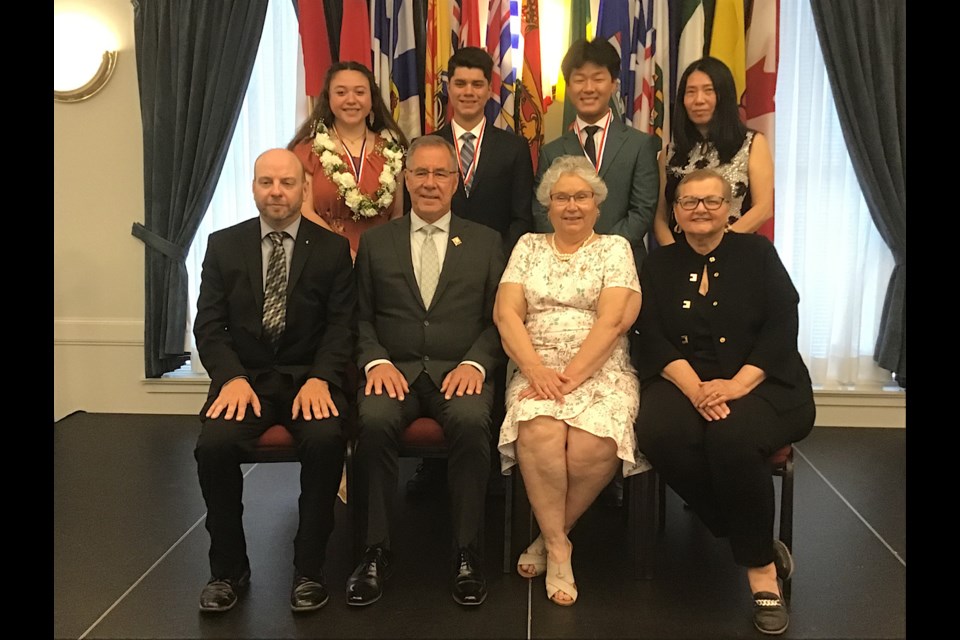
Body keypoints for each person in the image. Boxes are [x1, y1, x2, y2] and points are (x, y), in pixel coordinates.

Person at [632, 169, 815, 635]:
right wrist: (695, 388)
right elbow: (649, 339)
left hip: (763, 383)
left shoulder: (757, 253)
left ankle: (760, 574)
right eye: (689, 202)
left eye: (711, 201)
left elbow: (781, 327)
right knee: (658, 432)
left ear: (729, 208)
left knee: (731, 438)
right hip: (683, 381)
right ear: (674, 212)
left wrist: (736, 385)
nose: (700, 209)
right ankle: (750, 537)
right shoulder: (656, 265)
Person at [192, 149, 356, 614]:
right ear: (254, 188)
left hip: (310, 380)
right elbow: (210, 325)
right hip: (245, 381)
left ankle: (309, 570)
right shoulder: (223, 245)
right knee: (214, 447)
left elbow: (341, 326)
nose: (277, 192)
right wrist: (231, 379)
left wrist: (323, 378)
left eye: (287, 183)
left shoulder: (331, 249)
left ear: (304, 188)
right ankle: (228, 570)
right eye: (267, 182)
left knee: (326, 441)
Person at [348, 135, 507, 608]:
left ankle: (466, 552)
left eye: (441, 174)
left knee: (471, 421)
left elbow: (501, 318)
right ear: (406, 178)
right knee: (372, 423)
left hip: (461, 370)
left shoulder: (486, 241)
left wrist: (477, 363)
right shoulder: (377, 242)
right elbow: (358, 317)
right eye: (421, 173)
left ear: (456, 182)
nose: (430, 183)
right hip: (391, 371)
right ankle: (375, 550)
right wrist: (375, 360)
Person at [495, 155, 648, 607]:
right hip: (533, 365)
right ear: (548, 204)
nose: (572, 205)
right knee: (540, 431)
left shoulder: (615, 248)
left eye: (582, 196)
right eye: (561, 197)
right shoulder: (527, 246)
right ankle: (561, 549)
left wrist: (569, 378)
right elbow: (507, 314)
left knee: (593, 442)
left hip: (602, 369)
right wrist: (538, 372)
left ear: (597, 204)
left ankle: (547, 537)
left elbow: (613, 320)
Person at [411, 46, 534, 496]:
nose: (467, 91)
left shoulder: (513, 147)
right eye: (459, 83)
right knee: (435, 351)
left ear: (490, 89)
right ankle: (433, 465)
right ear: (447, 87)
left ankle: (492, 460)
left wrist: (497, 265)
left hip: (498, 272)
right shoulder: (427, 145)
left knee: (489, 361)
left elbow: (522, 215)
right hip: (433, 270)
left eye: (476, 84)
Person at [534, 38, 660, 271]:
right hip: (565, 267)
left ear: (613, 84)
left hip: (624, 264)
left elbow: (642, 210)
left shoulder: (640, 145)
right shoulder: (551, 151)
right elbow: (542, 210)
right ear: (569, 86)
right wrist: (573, 251)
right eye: (579, 80)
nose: (589, 88)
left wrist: (600, 250)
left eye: (598, 78)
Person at [288, 61, 410, 258]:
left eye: (360, 92)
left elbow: (396, 215)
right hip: (324, 257)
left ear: (372, 99)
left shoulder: (393, 152)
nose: (351, 100)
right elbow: (304, 211)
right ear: (328, 98)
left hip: (381, 258)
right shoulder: (308, 151)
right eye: (341, 93)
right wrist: (343, 253)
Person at [652, 57, 774, 246]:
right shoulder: (669, 154)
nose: (698, 100)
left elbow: (764, 208)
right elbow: (660, 218)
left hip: (735, 251)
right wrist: (674, 253)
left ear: (724, 96)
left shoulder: (752, 143)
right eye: (690, 92)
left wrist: (716, 248)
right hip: (680, 259)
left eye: (708, 91)